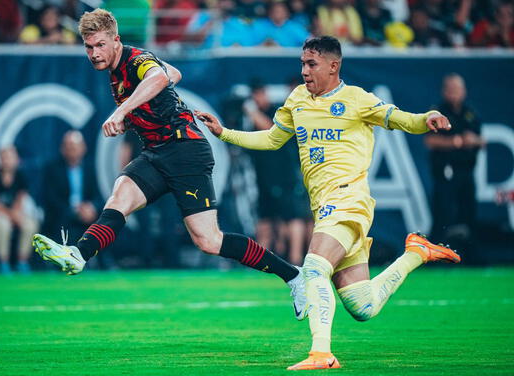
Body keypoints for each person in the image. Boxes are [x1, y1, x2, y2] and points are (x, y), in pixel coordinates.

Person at [195, 36, 461, 370]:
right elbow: (272, 139)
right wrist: (224, 132)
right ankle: (416, 253)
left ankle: (321, 353)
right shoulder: (297, 100)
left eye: (311, 64)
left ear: (333, 66)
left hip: (349, 199)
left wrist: (427, 118)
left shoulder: (356, 99)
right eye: (302, 63)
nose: (304, 70)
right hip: (325, 208)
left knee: (314, 268)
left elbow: (398, 118)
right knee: (363, 306)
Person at [32, 9, 306, 318]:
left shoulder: (135, 61)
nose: (94, 54)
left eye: (99, 45)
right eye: (88, 47)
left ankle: (294, 275)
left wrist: (122, 112)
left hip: (186, 150)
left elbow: (160, 76)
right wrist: (138, 110)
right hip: (156, 152)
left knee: (209, 240)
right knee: (119, 197)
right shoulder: (118, 68)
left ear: (116, 40)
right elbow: (173, 73)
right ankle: (79, 254)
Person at [242, 80, 311, 265]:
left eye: (259, 94)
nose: (257, 99)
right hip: (263, 177)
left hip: (285, 174)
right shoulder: (249, 119)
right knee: (266, 218)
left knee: (293, 216)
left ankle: (296, 258)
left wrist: (251, 110)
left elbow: (269, 130)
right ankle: (259, 261)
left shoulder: (277, 111)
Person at [425, 73, 484, 257]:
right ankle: (433, 256)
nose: (454, 94)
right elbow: (430, 141)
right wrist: (456, 142)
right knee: (442, 215)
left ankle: (472, 257)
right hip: (445, 172)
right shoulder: (438, 112)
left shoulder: (470, 112)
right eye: (451, 90)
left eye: (457, 90)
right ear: (444, 91)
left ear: (464, 91)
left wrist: (473, 140)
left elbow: (481, 140)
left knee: (469, 214)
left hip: (466, 172)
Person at [0, 146, 39, 274]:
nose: (7, 160)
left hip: (14, 212)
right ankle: (3, 262)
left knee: (30, 225)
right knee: (3, 225)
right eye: (4, 157)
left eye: (10, 157)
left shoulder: (21, 177)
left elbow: (20, 199)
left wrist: (15, 214)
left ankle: (22, 261)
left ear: (17, 160)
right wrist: (10, 215)